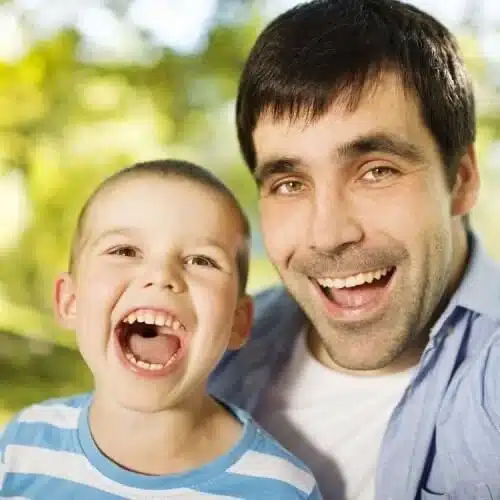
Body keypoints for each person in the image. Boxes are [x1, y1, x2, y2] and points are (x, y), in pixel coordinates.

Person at [209, 1, 500, 499]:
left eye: (376, 171)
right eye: (289, 183)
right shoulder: (217, 357)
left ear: (461, 180)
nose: (328, 234)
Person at [0, 160, 323, 499]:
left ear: (238, 321)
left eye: (201, 260)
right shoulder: (23, 445)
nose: (162, 275)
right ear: (70, 301)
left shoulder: (281, 488)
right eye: (125, 250)